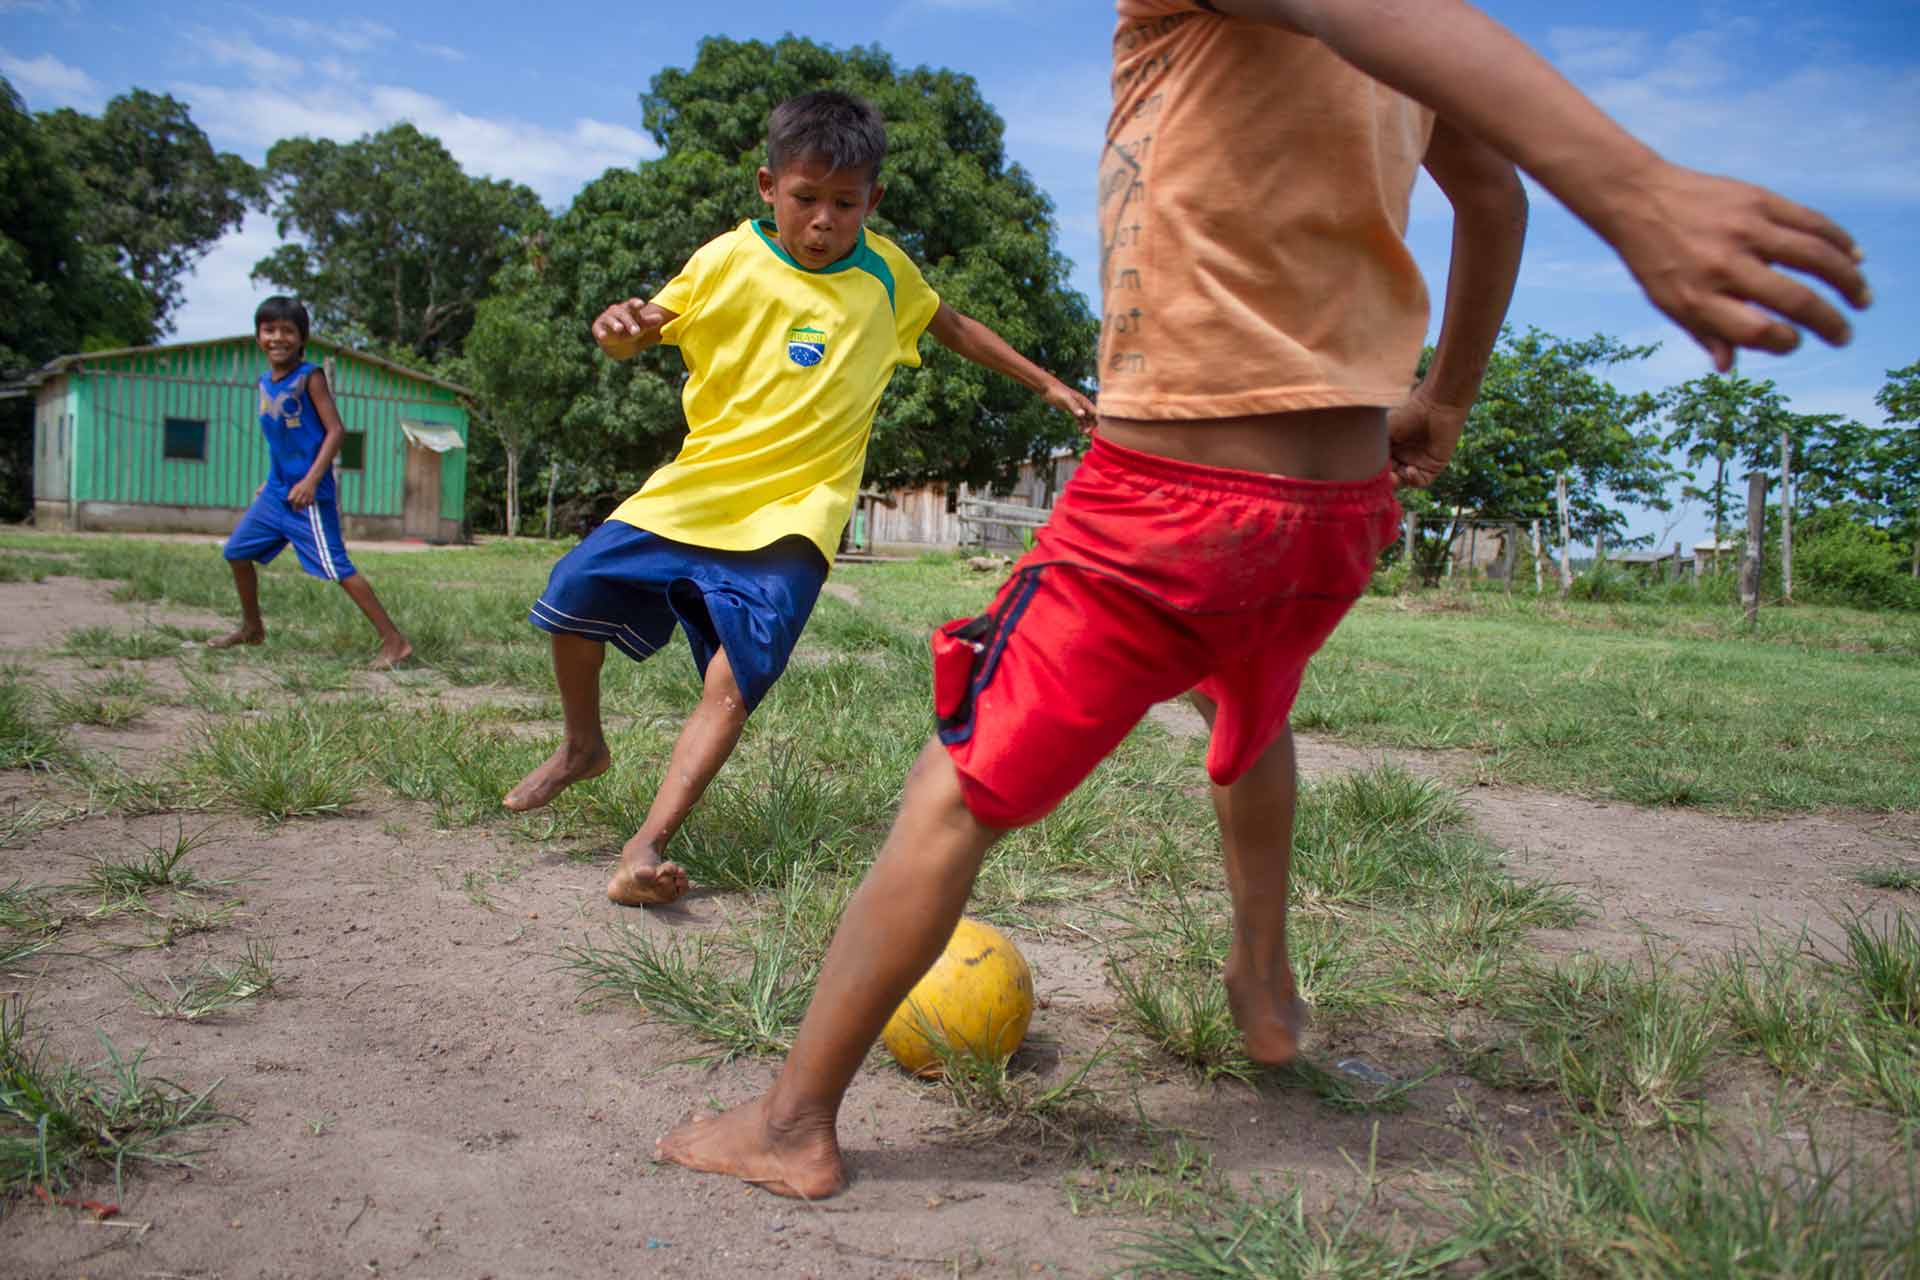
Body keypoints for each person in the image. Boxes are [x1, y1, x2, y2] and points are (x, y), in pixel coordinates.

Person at [655, 0, 1871, 1199]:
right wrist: (1444, 398)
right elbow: (1489, 194)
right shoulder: (1399, 48)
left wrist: (1633, 187)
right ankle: (1266, 991)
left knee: (955, 787)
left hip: (1167, 501)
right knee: (1245, 698)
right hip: (1333, 519)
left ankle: (792, 1121)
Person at [503, 90, 1097, 908]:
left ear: (873, 201)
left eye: (845, 204)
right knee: (570, 594)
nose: (823, 221)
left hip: (797, 518)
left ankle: (646, 846)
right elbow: (645, 325)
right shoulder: (725, 259)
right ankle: (581, 746)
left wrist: (1049, 382)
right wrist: (619, 332)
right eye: (805, 198)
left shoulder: (889, 273)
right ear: (767, 187)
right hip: (694, 492)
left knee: (735, 678)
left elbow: (951, 323)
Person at [209, 296, 413, 670]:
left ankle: (395, 642)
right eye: (269, 329)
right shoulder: (263, 384)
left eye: (288, 331)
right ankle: (252, 629)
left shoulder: (309, 377)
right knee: (236, 552)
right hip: (277, 492)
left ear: (302, 338)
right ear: (258, 336)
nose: (278, 338)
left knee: (337, 568)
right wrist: (269, 481)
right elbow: (281, 443)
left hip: (309, 498)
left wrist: (310, 480)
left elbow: (336, 432)